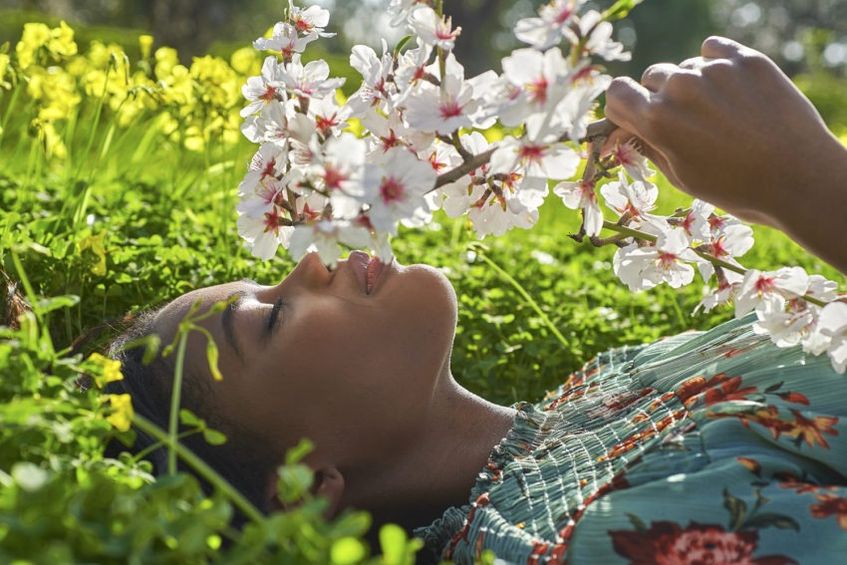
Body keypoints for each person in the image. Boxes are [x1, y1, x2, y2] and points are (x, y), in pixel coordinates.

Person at [108, 36, 847, 563]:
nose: (309, 261)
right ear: (303, 485)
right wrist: (807, 186)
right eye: (268, 318)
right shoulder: (567, 543)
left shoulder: (591, 396)